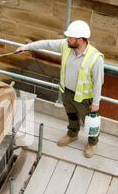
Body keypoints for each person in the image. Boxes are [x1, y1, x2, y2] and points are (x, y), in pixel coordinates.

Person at [17, 20, 104, 158]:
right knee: (71, 116)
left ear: (80, 39)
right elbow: (47, 43)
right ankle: (72, 134)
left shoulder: (95, 58)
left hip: (85, 98)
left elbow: (99, 82)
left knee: (90, 122)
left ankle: (92, 143)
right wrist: (27, 46)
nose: (67, 39)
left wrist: (96, 103)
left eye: (70, 37)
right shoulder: (66, 45)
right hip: (67, 92)